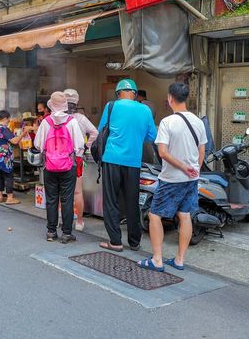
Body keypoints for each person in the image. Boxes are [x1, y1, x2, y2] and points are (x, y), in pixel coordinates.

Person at [137, 83, 207, 272]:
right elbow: (202, 150)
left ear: (170, 98)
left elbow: (163, 153)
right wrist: (194, 170)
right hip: (191, 180)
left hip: (171, 179)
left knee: (154, 215)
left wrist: (184, 167)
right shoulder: (198, 122)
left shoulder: (168, 122)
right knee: (185, 216)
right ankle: (179, 259)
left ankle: (157, 260)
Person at [97, 79, 157, 252]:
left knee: (111, 201)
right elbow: (151, 137)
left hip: (112, 159)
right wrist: (135, 137)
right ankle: (134, 242)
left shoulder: (111, 106)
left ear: (118, 93)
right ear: (135, 94)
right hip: (133, 162)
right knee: (132, 201)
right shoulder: (145, 109)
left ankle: (115, 241)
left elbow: (101, 130)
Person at [34, 92, 84, 243]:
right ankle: (67, 233)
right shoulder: (72, 121)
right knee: (67, 200)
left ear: (51, 105)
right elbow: (79, 145)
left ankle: (51, 232)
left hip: (50, 166)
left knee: (51, 199)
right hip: (68, 166)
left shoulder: (46, 122)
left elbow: (38, 144)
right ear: (64, 105)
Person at [64, 88, 98, 231]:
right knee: (77, 192)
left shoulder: (56, 117)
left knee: (63, 191)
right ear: (76, 103)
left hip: (59, 160)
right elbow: (95, 132)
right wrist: (86, 145)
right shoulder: (80, 118)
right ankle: (79, 222)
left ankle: (64, 219)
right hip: (76, 158)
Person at [0, 110, 33, 205]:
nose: (9, 121)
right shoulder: (4, 129)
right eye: (8, 119)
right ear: (5, 118)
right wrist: (24, 133)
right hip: (4, 158)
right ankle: (9, 198)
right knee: (8, 176)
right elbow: (15, 141)